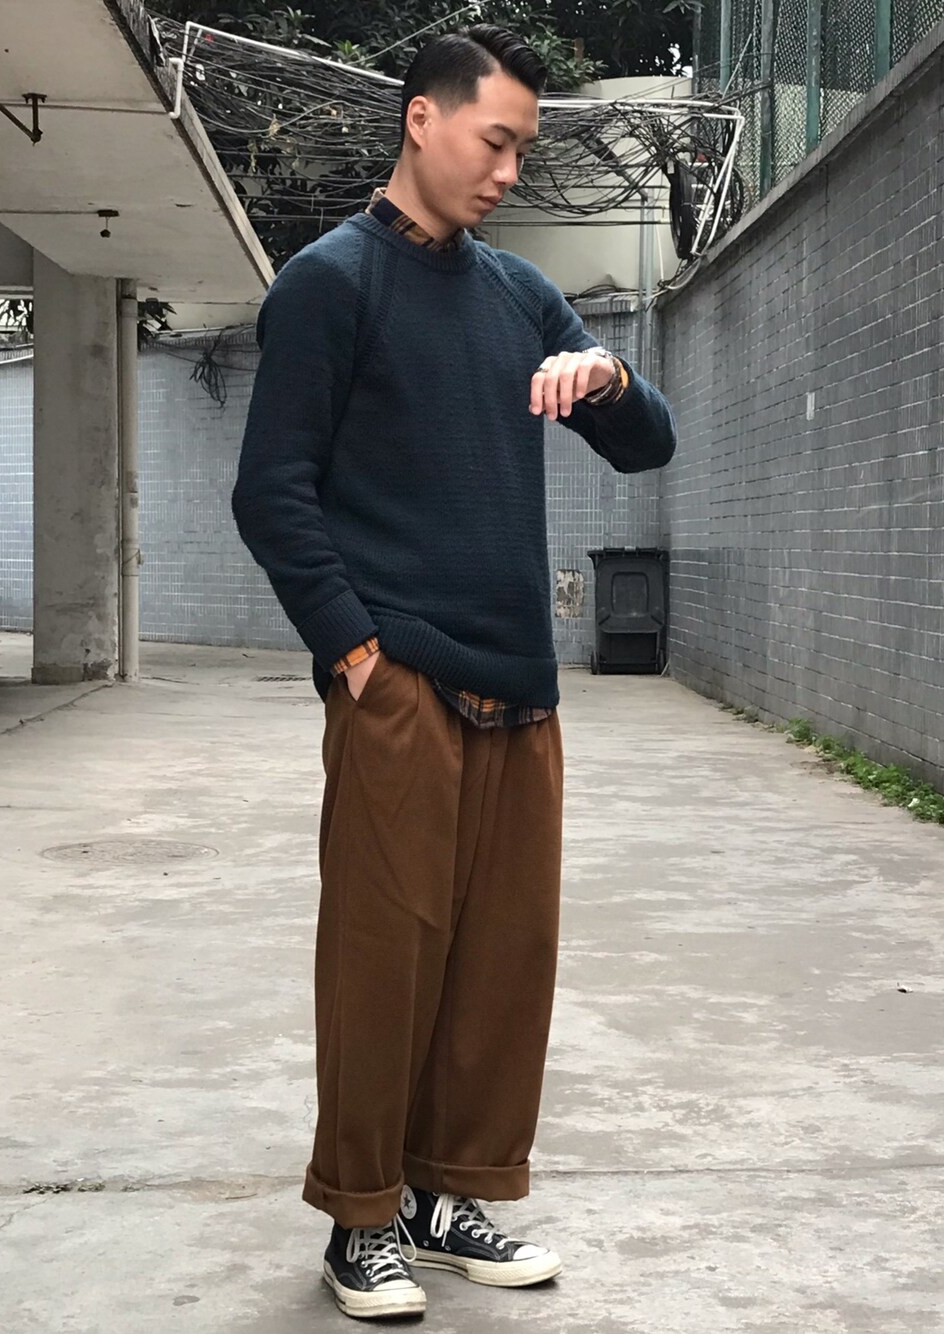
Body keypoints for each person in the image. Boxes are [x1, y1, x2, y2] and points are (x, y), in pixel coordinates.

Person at [233, 24, 676, 1322]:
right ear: (422, 119)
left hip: (522, 683)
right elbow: (272, 490)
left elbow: (645, 445)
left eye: (523, 149)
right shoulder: (329, 283)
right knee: (385, 955)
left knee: (502, 963)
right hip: (403, 685)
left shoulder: (520, 295)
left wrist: (609, 372)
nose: (509, 171)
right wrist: (352, 649)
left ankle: (447, 1195)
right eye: (496, 142)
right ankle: (360, 1219)